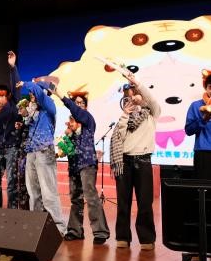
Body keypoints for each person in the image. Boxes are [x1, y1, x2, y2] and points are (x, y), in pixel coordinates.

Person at [110, 72, 161, 250]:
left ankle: (146, 239)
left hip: (143, 161)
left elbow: (151, 99)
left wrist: (137, 83)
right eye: (128, 97)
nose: (132, 99)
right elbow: (120, 136)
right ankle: (122, 237)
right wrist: (125, 114)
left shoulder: (151, 114)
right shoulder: (124, 118)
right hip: (124, 162)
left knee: (145, 203)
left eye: (135, 95)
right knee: (123, 203)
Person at [54, 87, 109, 244]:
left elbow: (76, 112)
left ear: (85, 106)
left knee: (91, 196)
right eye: (76, 103)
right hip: (74, 165)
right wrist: (63, 144)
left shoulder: (88, 119)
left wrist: (61, 96)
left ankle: (100, 232)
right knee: (75, 198)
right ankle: (75, 230)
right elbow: (67, 148)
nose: (78, 106)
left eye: (81, 103)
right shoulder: (71, 126)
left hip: (87, 163)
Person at [17, 71, 67, 236]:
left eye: (34, 93)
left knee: (48, 191)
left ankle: (58, 228)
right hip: (31, 151)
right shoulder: (35, 110)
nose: (32, 95)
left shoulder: (49, 104)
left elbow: (38, 92)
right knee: (33, 192)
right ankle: (36, 225)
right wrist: (25, 117)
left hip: (45, 151)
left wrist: (26, 83)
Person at [0, 51, 22, 209]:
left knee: (12, 181)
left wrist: (13, 67)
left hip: (12, 148)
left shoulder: (14, 104)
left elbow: (16, 87)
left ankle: (12, 209)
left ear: (6, 96)